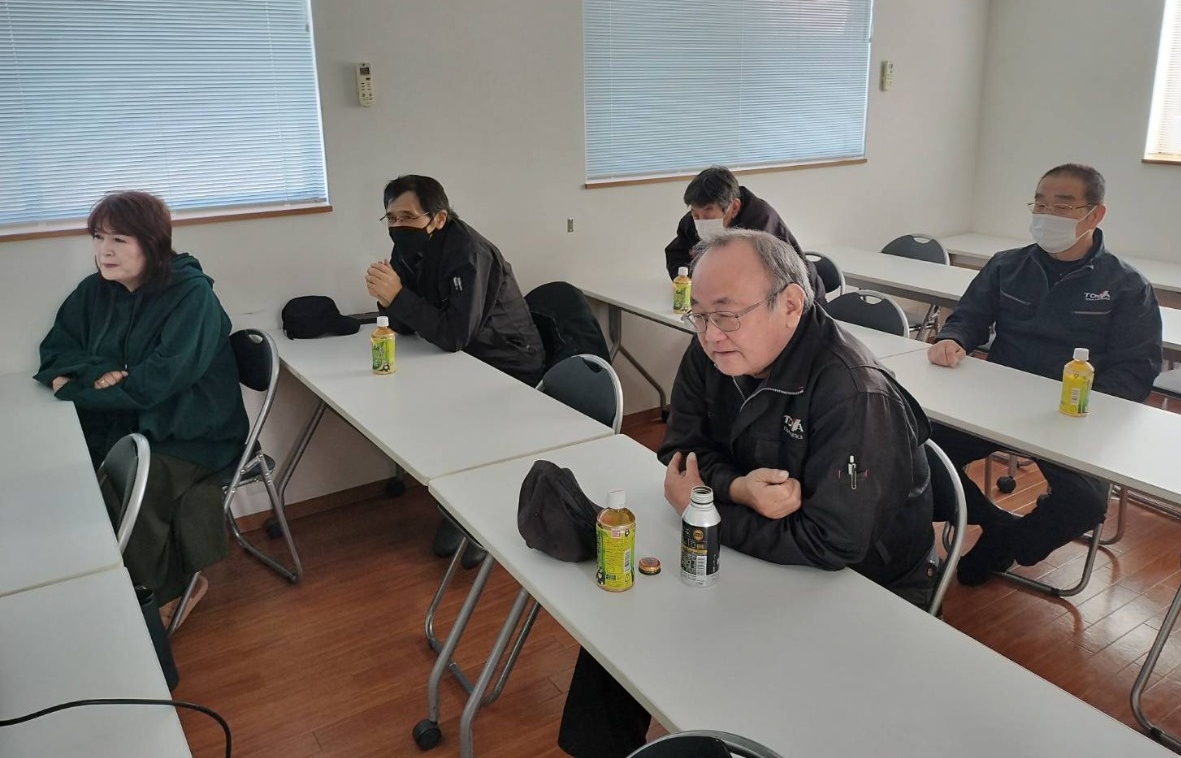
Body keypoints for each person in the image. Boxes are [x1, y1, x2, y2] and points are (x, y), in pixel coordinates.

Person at [558, 229, 934, 758]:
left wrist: (699, 511)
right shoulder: (714, 351)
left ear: (791, 305)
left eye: (728, 314)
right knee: (622, 628)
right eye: (700, 315)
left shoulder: (852, 391)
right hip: (766, 545)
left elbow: (835, 542)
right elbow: (680, 453)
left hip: (861, 584)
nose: (711, 334)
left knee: (743, 685)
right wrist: (737, 488)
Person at [927, 163, 1162, 585]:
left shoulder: (1127, 285)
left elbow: (1137, 367)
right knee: (918, 452)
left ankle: (1012, 543)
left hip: (1073, 416)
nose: (1047, 214)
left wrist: (1087, 409)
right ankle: (994, 522)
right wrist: (953, 338)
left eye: (1063, 206)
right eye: (1040, 204)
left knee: (1085, 502)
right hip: (997, 401)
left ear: (1095, 215)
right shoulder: (1007, 265)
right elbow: (970, 316)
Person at [34, 191, 248, 626]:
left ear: (152, 243)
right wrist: (99, 371)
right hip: (129, 421)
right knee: (70, 472)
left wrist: (75, 390)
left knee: (129, 481)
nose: (104, 251)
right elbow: (55, 352)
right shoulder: (95, 291)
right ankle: (106, 584)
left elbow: (155, 384)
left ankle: (158, 596)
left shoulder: (192, 297)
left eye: (119, 239)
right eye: (98, 237)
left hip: (193, 433)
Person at [365, 175, 546, 559]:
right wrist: (387, 299)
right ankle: (460, 506)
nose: (398, 226)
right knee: (415, 404)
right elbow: (406, 324)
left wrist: (398, 296)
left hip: (508, 361)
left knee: (450, 417)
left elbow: (454, 334)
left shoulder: (469, 253)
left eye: (407, 217)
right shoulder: (408, 247)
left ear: (438, 218)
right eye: (391, 218)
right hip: (467, 357)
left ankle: (480, 518)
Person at [663, 165, 825, 304]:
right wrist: (691, 282)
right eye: (695, 213)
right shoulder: (693, 221)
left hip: (800, 298)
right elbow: (677, 254)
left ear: (734, 207)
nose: (701, 220)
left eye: (708, 212)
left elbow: (759, 276)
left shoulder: (761, 222)